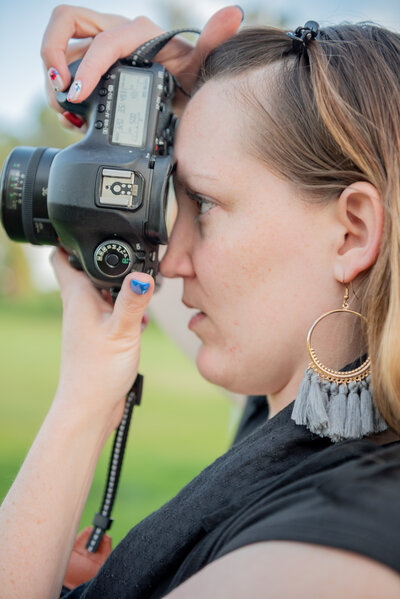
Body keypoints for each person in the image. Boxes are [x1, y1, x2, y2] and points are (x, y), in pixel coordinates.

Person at [2, 4, 400, 598]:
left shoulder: (321, 559)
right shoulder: (307, 421)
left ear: (352, 233)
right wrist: (180, 113)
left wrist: (78, 409)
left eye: (205, 205)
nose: (167, 257)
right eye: (171, 202)